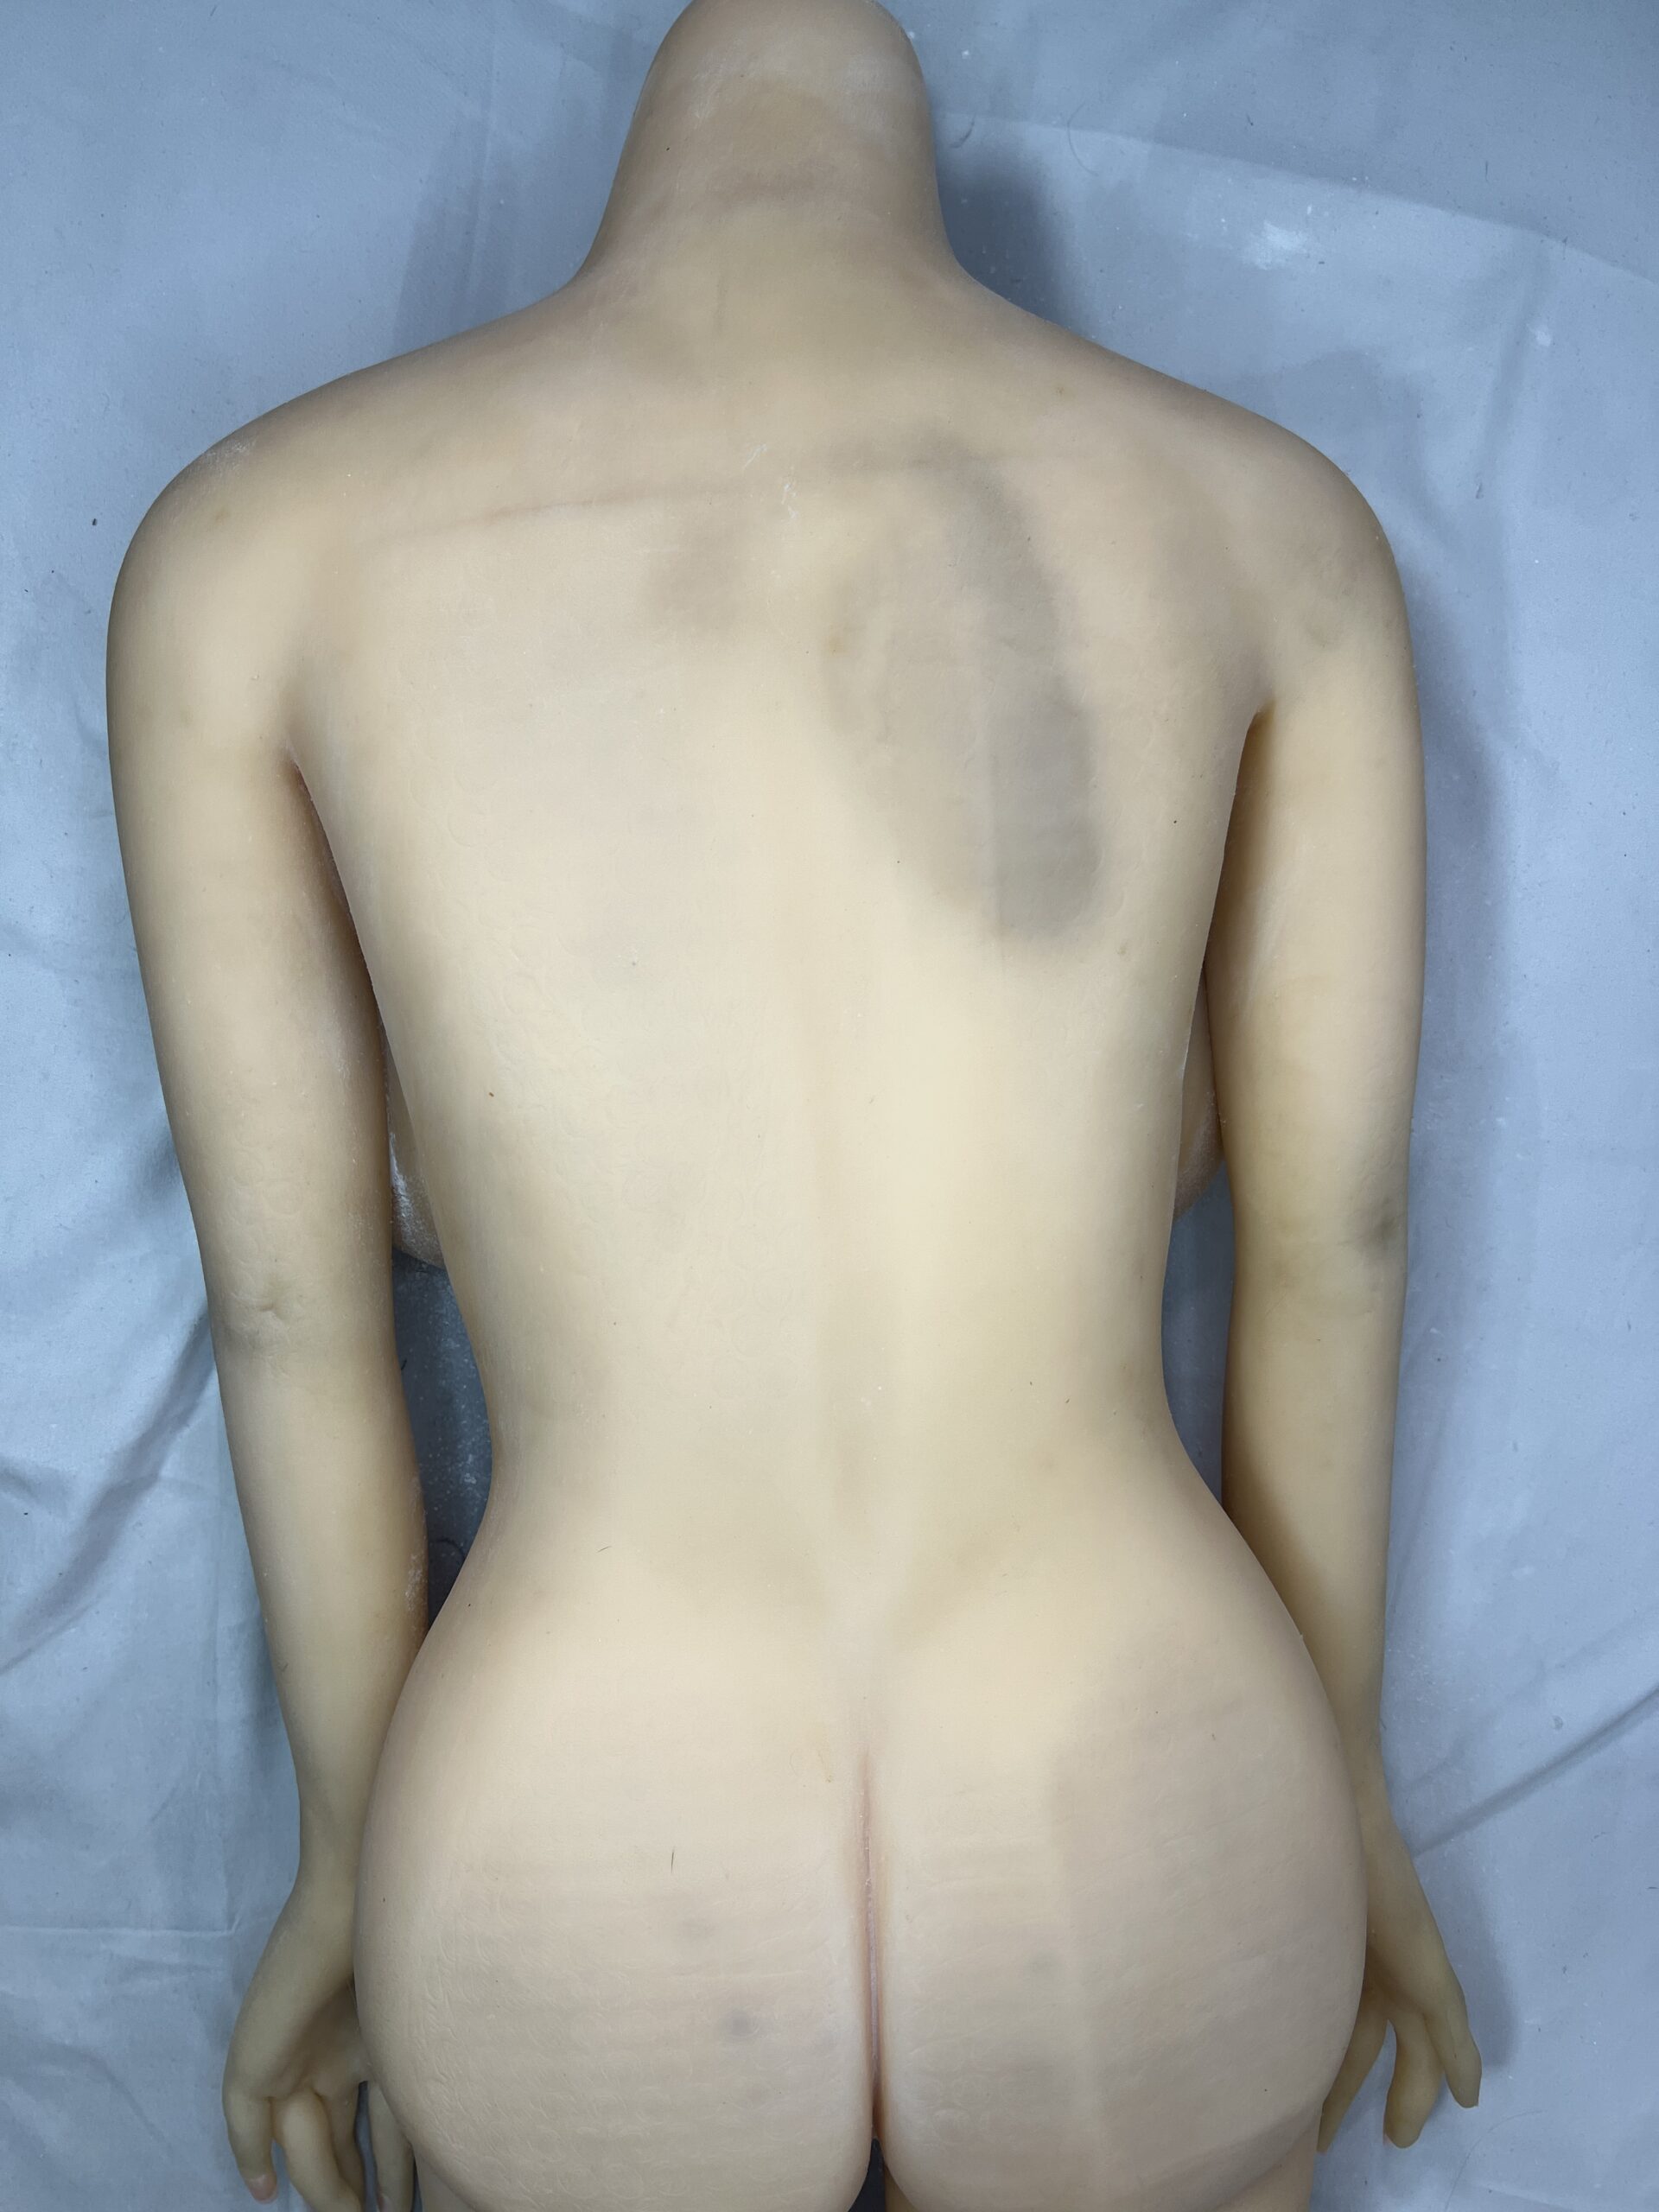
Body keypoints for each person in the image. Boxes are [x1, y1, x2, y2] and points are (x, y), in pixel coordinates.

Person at [105, 1, 1481, 2206]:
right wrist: (1343, 1791)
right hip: (1137, 1778)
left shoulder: (247, 550)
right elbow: (1335, 1238)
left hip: (579, 1817)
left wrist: (355, 1851)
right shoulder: (1268, 526)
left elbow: (291, 1314)